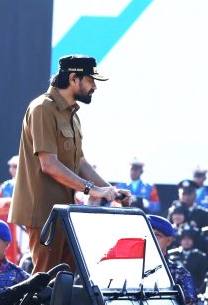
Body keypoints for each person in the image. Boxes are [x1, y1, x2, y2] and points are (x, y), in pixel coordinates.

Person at [9, 54, 128, 275]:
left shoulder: (72, 113)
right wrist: (93, 189)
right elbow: (49, 164)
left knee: (62, 282)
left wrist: (111, 190)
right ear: (74, 78)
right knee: (46, 283)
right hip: (44, 211)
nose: (94, 87)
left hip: (65, 211)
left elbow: (80, 162)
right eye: (91, 80)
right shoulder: (42, 108)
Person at [148, 215, 199, 305]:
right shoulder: (131, 270)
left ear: (169, 241)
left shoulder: (180, 274)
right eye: (148, 234)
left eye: (157, 235)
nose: (151, 238)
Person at [167, 225, 208, 292]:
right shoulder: (171, 254)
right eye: (184, 239)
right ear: (180, 240)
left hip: (194, 290)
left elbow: (202, 276)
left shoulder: (200, 256)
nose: (186, 241)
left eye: (189, 239)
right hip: (174, 289)